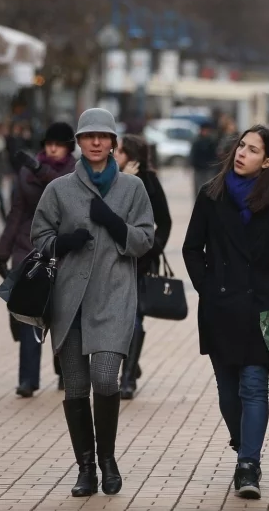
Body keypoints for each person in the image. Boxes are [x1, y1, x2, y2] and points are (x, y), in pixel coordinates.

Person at [30, 108, 154, 497]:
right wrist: (63, 242)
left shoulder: (133, 189)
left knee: (105, 377)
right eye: (88, 136)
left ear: (114, 142)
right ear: (79, 144)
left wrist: (114, 223)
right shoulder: (59, 189)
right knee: (77, 386)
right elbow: (39, 236)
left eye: (103, 136)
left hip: (114, 297)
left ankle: (108, 459)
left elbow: (146, 238)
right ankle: (85, 467)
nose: (96, 142)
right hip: (70, 301)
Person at [182, 124, 269, 499]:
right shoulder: (210, 195)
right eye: (241, 146)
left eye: (252, 149)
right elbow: (191, 248)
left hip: (258, 309)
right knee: (228, 392)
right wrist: (207, 289)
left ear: (268, 161)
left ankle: (249, 464)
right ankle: (241, 439)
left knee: (253, 388)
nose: (241, 153)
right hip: (220, 307)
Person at [0, 122, 77, 398]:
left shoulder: (75, 172)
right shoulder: (26, 171)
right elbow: (16, 212)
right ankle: (28, 379)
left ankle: (65, 371)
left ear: (68, 146)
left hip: (62, 250)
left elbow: (60, 187)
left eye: (59, 143)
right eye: (49, 143)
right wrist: (2, 250)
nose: (52, 148)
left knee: (61, 314)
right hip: (27, 248)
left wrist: (39, 169)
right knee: (30, 314)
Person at [113, 134, 172, 400]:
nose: (115, 154)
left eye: (121, 151)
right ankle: (132, 363)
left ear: (133, 157)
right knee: (115, 319)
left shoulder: (149, 182)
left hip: (139, 263)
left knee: (134, 317)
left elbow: (165, 221)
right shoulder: (109, 180)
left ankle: (127, 379)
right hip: (110, 261)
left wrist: (152, 246)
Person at [190, 122, 220, 197]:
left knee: (208, 188)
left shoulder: (212, 141)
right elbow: (193, 154)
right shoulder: (197, 141)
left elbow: (215, 154)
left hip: (209, 169)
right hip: (199, 169)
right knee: (199, 188)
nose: (205, 132)